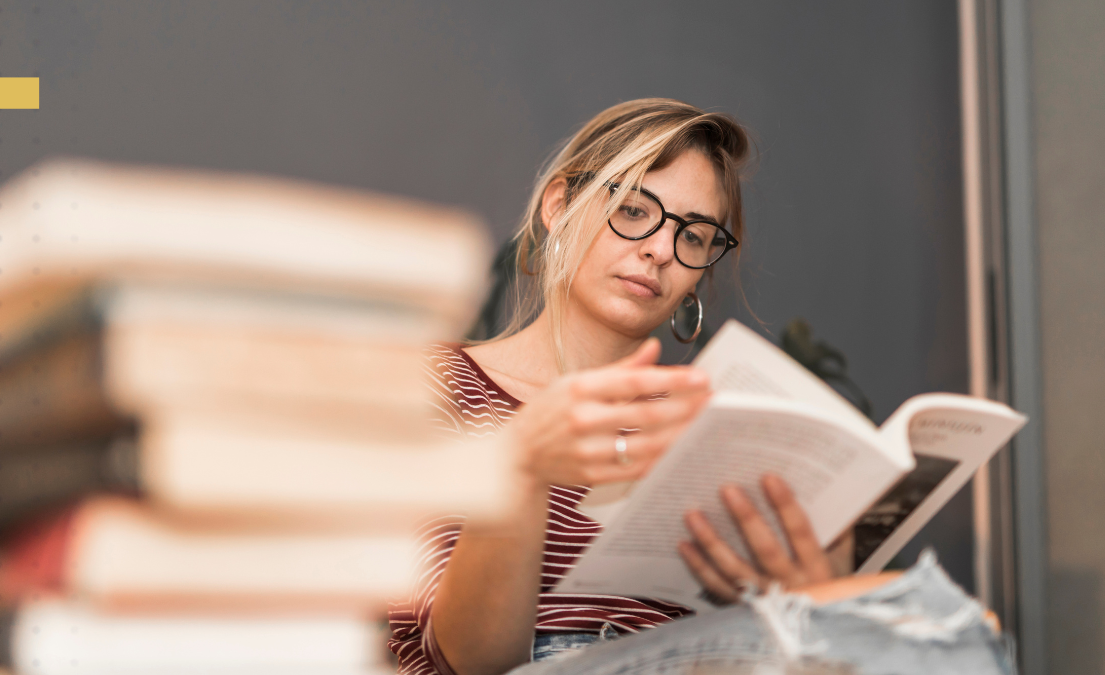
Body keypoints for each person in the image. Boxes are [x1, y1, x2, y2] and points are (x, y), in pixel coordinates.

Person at [387, 99, 1012, 675]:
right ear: (558, 206)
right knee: (944, 638)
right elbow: (468, 660)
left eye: (693, 236)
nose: (661, 248)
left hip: (705, 659)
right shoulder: (429, 382)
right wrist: (522, 469)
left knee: (947, 629)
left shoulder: (713, 422)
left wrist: (810, 591)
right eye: (634, 210)